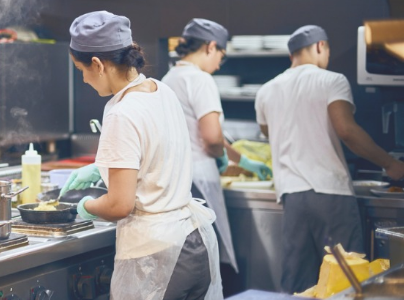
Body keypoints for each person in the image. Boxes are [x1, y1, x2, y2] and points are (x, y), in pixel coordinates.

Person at [61, 11, 223, 300]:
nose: (83, 79)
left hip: (158, 258)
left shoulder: (122, 112)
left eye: (80, 69)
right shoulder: (162, 90)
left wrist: (86, 206)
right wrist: (103, 168)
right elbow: (154, 155)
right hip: (193, 242)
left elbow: (120, 205)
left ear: (97, 64)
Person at [254, 25, 404, 293]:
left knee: (298, 284)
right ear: (320, 46)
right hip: (330, 194)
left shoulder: (266, 90)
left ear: (292, 55)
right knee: (346, 278)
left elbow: (268, 132)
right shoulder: (331, 80)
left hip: (292, 196)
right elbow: (346, 130)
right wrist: (390, 164)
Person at [161, 18, 272, 273]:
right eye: (221, 54)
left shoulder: (169, 78)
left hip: (176, 178)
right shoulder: (200, 80)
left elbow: (203, 132)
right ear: (211, 46)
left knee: (188, 255)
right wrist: (220, 156)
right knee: (209, 255)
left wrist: (240, 159)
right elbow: (211, 138)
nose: (220, 62)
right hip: (200, 179)